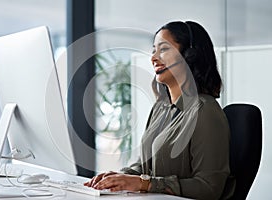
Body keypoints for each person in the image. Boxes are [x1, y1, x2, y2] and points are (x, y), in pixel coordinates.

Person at [84, 21, 234, 200]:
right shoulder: (161, 107)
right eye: (153, 50)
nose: (153, 57)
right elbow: (145, 166)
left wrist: (145, 184)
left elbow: (209, 188)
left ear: (189, 55)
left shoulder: (205, 111)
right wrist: (118, 177)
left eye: (163, 49)